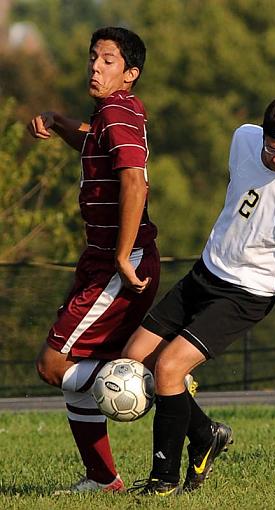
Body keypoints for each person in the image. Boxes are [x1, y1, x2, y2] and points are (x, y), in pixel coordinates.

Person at [122, 95, 275, 496]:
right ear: (262, 135)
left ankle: (162, 482)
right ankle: (205, 434)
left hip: (246, 293)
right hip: (206, 271)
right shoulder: (243, 138)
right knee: (135, 357)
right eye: (273, 148)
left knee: (168, 369)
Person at [27, 26, 160, 494]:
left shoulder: (118, 111)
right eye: (93, 57)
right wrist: (60, 122)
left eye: (108, 60)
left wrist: (124, 256)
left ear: (130, 74)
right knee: (75, 367)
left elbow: (135, 184)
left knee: (53, 365)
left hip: (116, 263)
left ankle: (162, 380)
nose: (96, 67)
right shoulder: (110, 114)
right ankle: (103, 480)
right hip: (102, 259)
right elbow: (95, 147)